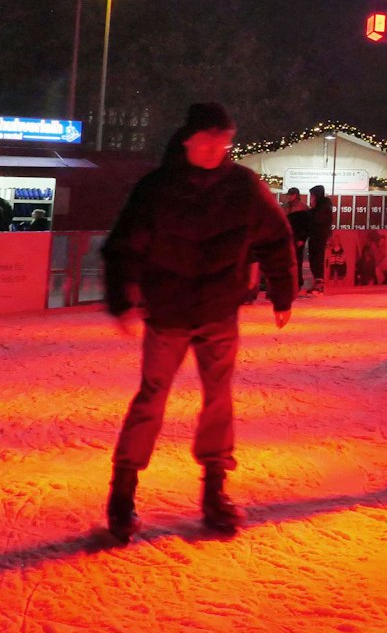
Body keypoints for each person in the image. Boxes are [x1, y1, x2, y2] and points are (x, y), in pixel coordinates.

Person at [102, 103, 297, 542]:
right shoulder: (156, 188)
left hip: (218, 310)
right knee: (151, 398)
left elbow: (276, 237)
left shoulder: (244, 186)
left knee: (218, 400)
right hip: (167, 313)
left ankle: (215, 492)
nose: (214, 150)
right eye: (206, 141)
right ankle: (123, 492)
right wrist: (121, 296)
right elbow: (123, 245)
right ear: (187, 139)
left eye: (223, 142)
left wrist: (283, 292)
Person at [283, 189, 311, 295]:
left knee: (296, 262)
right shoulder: (287, 207)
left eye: (291, 195)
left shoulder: (302, 208)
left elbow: (306, 226)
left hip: (296, 238)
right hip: (288, 238)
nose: (289, 197)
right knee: (290, 262)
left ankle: (296, 284)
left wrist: (302, 238)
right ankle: (291, 284)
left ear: (296, 195)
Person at [304, 185, 333, 294]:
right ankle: (317, 282)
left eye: (312, 195)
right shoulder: (320, 206)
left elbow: (318, 219)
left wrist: (311, 211)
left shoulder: (324, 206)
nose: (311, 197)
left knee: (318, 259)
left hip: (320, 235)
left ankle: (319, 285)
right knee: (313, 259)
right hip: (315, 235)